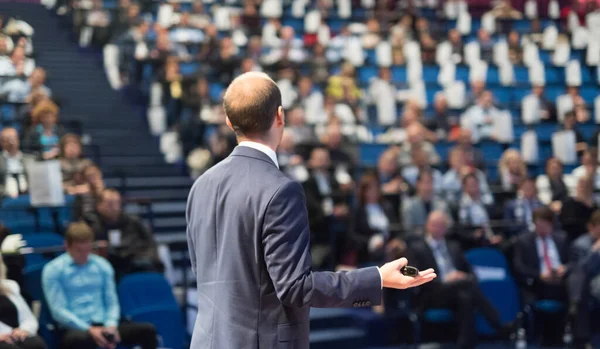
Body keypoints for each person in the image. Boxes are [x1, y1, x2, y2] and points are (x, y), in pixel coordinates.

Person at [185, 72, 436, 349]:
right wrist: (376, 278)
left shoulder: (201, 185)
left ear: (229, 121)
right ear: (280, 116)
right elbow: (295, 288)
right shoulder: (281, 190)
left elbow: (205, 270)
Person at [41, 222, 158, 349]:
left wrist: (111, 325)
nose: (84, 256)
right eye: (78, 251)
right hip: (75, 327)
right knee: (80, 340)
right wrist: (89, 329)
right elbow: (58, 311)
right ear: (67, 246)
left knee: (148, 330)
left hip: (105, 323)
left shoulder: (102, 265)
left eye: (88, 250)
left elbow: (112, 302)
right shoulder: (53, 270)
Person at [407, 211, 513, 349]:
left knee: (465, 297)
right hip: (432, 293)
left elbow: (471, 273)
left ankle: (464, 345)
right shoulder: (417, 248)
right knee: (466, 285)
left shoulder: (454, 247)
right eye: (434, 225)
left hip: (456, 292)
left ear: (446, 228)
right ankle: (498, 324)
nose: (437, 228)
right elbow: (415, 276)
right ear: (427, 226)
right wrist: (446, 278)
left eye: (441, 225)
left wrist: (461, 277)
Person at [84, 189, 163, 278]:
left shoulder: (133, 221)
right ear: (99, 205)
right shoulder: (91, 224)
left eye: (117, 203)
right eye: (110, 204)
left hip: (132, 263)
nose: (114, 207)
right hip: (104, 265)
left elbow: (149, 243)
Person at [513, 207, 569, 303]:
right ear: (534, 224)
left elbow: (572, 261)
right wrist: (539, 275)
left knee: (577, 279)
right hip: (538, 282)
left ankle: (574, 307)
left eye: (546, 225)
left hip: (561, 279)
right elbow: (519, 267)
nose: (542, 229)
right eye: (539, 226)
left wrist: (564, 268)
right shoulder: (524, 241)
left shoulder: (562, 238)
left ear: (551, 224)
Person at [349, 174, 403, 266]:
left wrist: (396, 240)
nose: (374, 192)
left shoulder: (387, 207)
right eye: (370, 189)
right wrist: (371, 242)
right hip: (367, 251)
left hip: (388, 246)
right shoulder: (358, 210)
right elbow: (352, 236)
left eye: (376, 188)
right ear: (364, 191)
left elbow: (395, 228)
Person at [0, 254, 47, 349]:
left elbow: (29, 318)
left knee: (36, 343)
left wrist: (24, 330)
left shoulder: (11, 286)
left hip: (15, 337)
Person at [568, 210, 600, 349]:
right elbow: (583, 270)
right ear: (591, 226)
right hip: (587, 285)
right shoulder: (581, 244)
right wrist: (595, 251)